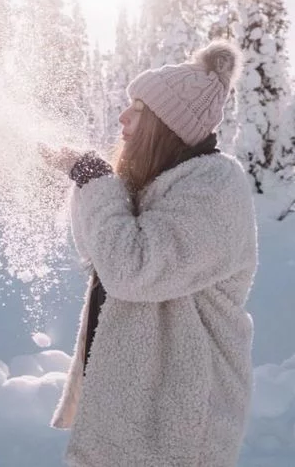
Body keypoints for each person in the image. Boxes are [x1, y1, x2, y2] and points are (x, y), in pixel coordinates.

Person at [39, 41, 258, 467]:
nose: (123, 117)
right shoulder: (159, 185)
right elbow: (98, 256)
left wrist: (99, 184)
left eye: (138, 108)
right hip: (128, 411)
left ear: (166, 123)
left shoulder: (214, 186)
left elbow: (132, 271)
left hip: (179, 420)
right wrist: (92, 184)